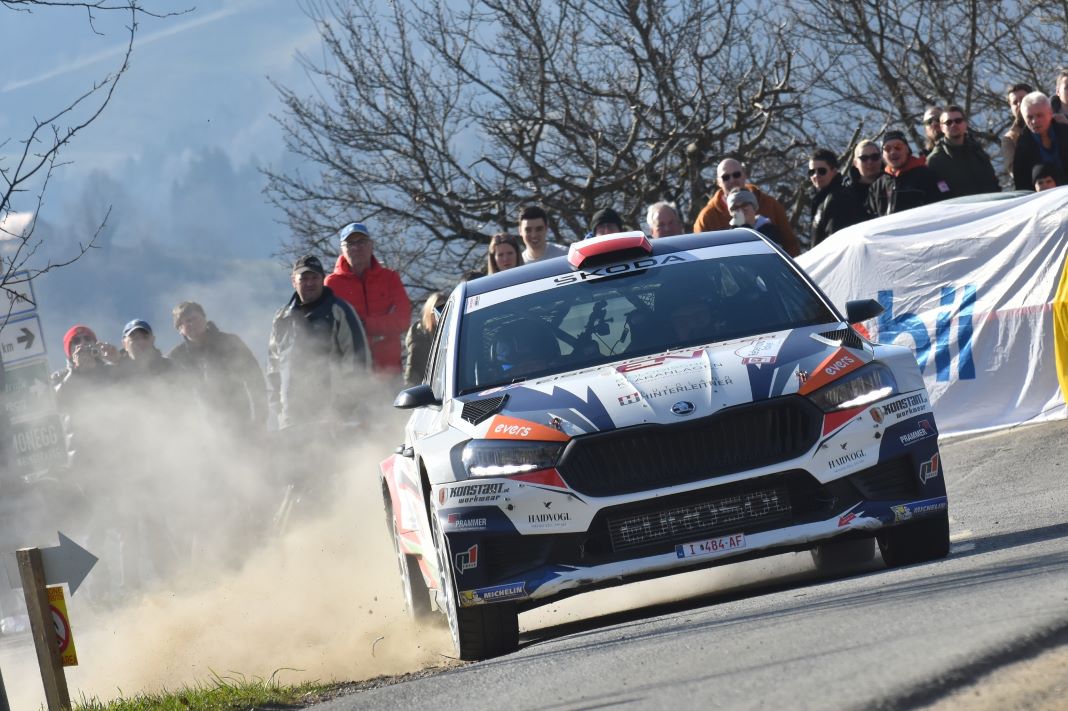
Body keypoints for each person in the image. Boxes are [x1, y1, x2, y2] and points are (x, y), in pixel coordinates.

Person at [268, 255, 371, 429]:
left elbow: (357, 360)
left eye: (315, 277)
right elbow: (274, 365)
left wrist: (346, 406)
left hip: (332, 413)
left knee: (333, 456)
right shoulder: (282, 317)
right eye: (304, 278)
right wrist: (276, 405)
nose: (310, 283)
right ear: (293, 281)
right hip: (291, 414)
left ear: (323, 280)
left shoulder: (339, 311)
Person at [325, 222, 411, 376]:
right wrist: (383, 324)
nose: (357, 247)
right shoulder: (332, 284)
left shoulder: (390, 278)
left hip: (389, 371)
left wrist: (364, 324)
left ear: (371, 245)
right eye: (350, 243)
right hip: (351, 374)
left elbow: (403, 320)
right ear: (342, 249)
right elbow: (330, 330)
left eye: (362, 242)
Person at [167, 301, 267, 431]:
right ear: (180, 329)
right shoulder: (176, 357)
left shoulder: (229, 342)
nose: (192, 324)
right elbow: (171, 396)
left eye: (195, 318)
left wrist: (260, 417)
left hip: (241, 420)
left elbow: (254, 378)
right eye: (186, 321)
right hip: (201, 430)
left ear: (204, 318)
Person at [693, 158, 800, 256]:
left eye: (736, 174)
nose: (732, 180)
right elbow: (702, 256)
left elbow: (790, 244)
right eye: (726, 177)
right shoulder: (707, 217)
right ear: (718, 182)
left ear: (744, 175)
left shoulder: (770, 204)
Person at [867, 130, 952, 216]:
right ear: (883, 155)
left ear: (907, 149)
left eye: (898, 147)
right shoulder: (877, 186)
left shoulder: (927, 176)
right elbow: (870, 217)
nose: (893, 152)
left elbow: (944, 207)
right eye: (887, 149)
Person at [926, 105, 1000, 196]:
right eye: (948, 122)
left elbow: (994, 183)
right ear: (942, 128)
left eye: (958, 121)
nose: (954, 125)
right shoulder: (935, 160)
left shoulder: (978, 152)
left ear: (965, 124)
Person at [1013, 92, 1068, 191]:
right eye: (1029, 117)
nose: (1034, 121)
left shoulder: (1065, 133)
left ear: (1050, 113)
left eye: (1039, 115)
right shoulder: (1023, 146)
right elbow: (1022, 185)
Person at [807, 148, 861, 246]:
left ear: (834, 171)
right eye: (812, 172)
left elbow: (835, 242)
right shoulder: (821, 199)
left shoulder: (839, 198)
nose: (816, 175)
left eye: (822, 171)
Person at [404, 290, 449, 387]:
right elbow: (413, 371)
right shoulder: (419, 334)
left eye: (445, 309)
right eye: (437, 309)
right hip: (429, 390)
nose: (441, 314)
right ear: (429, 312)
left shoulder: (454, 329)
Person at [725, 188, 789, 251]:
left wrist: (746, 229)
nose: (740, 210)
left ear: (754, 206)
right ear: (731, 212)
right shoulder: (728, 237)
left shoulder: (770, 231)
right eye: (735, 208)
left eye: (744, 205)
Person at [1002, 82, 1034, 182]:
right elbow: (1016, 172)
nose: (1019, 104)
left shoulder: (1051, 122)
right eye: (1015, 103)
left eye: (1023, 99)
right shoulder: (1009, 139)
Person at [843, 140, 883, 219]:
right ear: (855, 163)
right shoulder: (846, 194)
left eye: (874, 157)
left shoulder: (893, 184)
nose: (870, 162)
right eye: (864, 158)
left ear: (881, 158)